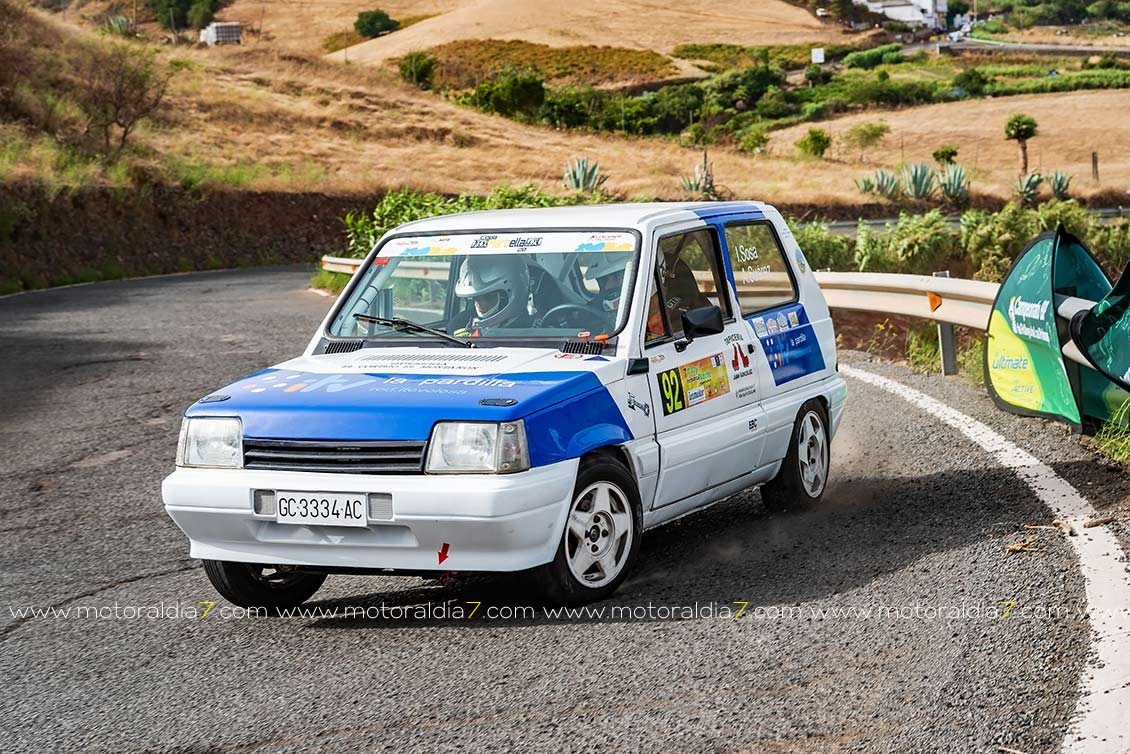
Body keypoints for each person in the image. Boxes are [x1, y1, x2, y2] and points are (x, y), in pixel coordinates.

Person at [451, 255, 532, 336]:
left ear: (506, 297)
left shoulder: (533, 332)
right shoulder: (459, 325)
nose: (479, 304)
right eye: (476, 298)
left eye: (487, 297)